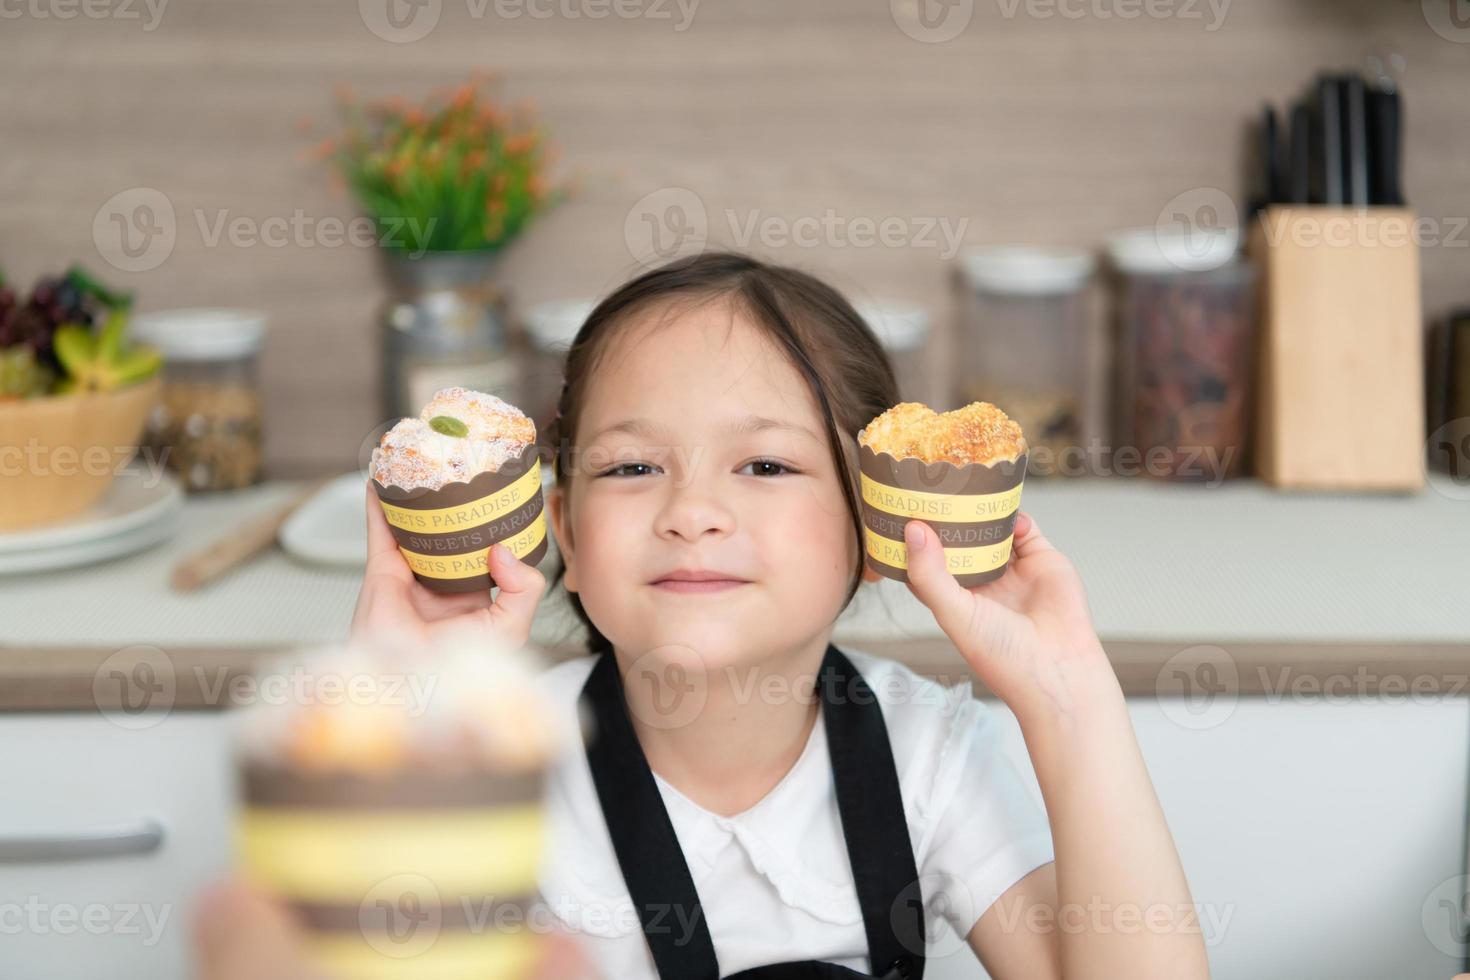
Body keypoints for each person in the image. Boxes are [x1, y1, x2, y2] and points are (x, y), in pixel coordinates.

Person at [351, 252, 1210, 979]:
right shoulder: (488, 754)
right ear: (563, 528)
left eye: (763, 465)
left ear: (876, 522)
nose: (693, 511)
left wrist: (1068, 696)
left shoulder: (930, 754)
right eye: (630, 468)